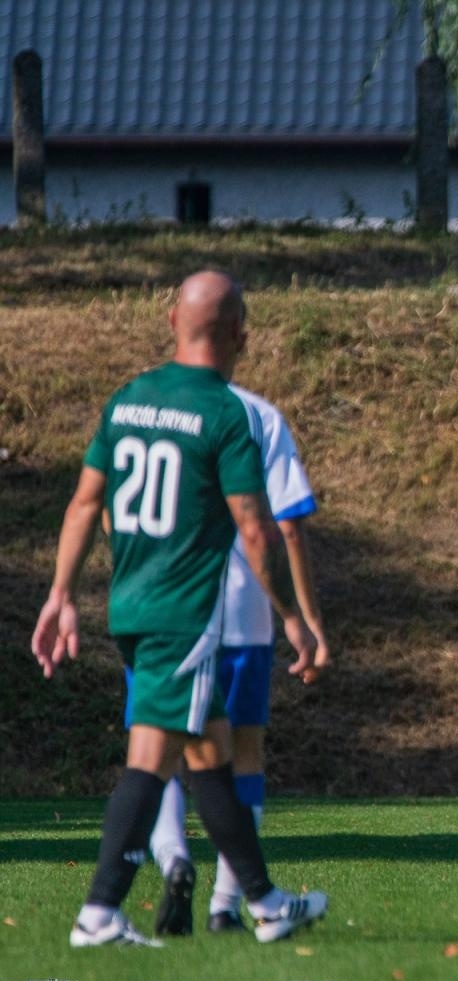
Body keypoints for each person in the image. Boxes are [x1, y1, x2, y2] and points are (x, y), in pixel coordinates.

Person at [31, 271, 330, 946]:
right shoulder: (225, 414)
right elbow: (257, 528)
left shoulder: (130, 399)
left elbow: (85, 502)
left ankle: (265, 903)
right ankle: (99, 911)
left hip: (133, 606)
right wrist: (292, 616)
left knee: (210, 752)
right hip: (185, 614)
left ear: (172, 323)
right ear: (241, 337)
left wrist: (61, 595)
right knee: (151, 759)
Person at [139, 380, 330, 937]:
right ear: (236, 340)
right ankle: (226, 905)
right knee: (243, 752)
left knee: (160, 748)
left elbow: (107, 509)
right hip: (240, 610)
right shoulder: (258, 415)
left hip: (165, 607)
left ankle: (174, 858)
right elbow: (287, 525)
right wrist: (305, 620)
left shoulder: (147, 407)